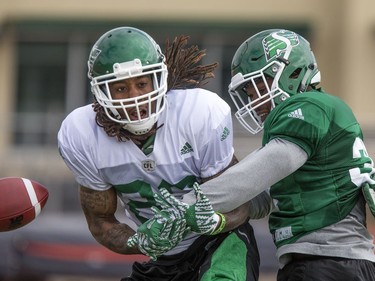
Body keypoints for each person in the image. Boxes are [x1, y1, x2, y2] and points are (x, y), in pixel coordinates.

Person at [145, 29, 375, 281]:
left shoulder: (311, 106)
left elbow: (259, 173)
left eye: (257, 87)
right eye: (250, 94)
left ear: (291, 72)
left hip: (329, 260)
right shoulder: (311, 122)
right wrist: (216, 218)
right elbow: (262, 196)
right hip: (325, 260)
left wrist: (183, 208)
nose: (254, 101)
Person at [57, 26, 260, 281]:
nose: (135, 98)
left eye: (141, 84)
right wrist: (139, 241)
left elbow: (239, 204)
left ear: (158, 80)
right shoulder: (81, 134)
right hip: (162, 259)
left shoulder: (198, 113)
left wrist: (215, 222)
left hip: (219, 244)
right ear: (101, 92)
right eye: (120, 89)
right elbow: (100, 221)